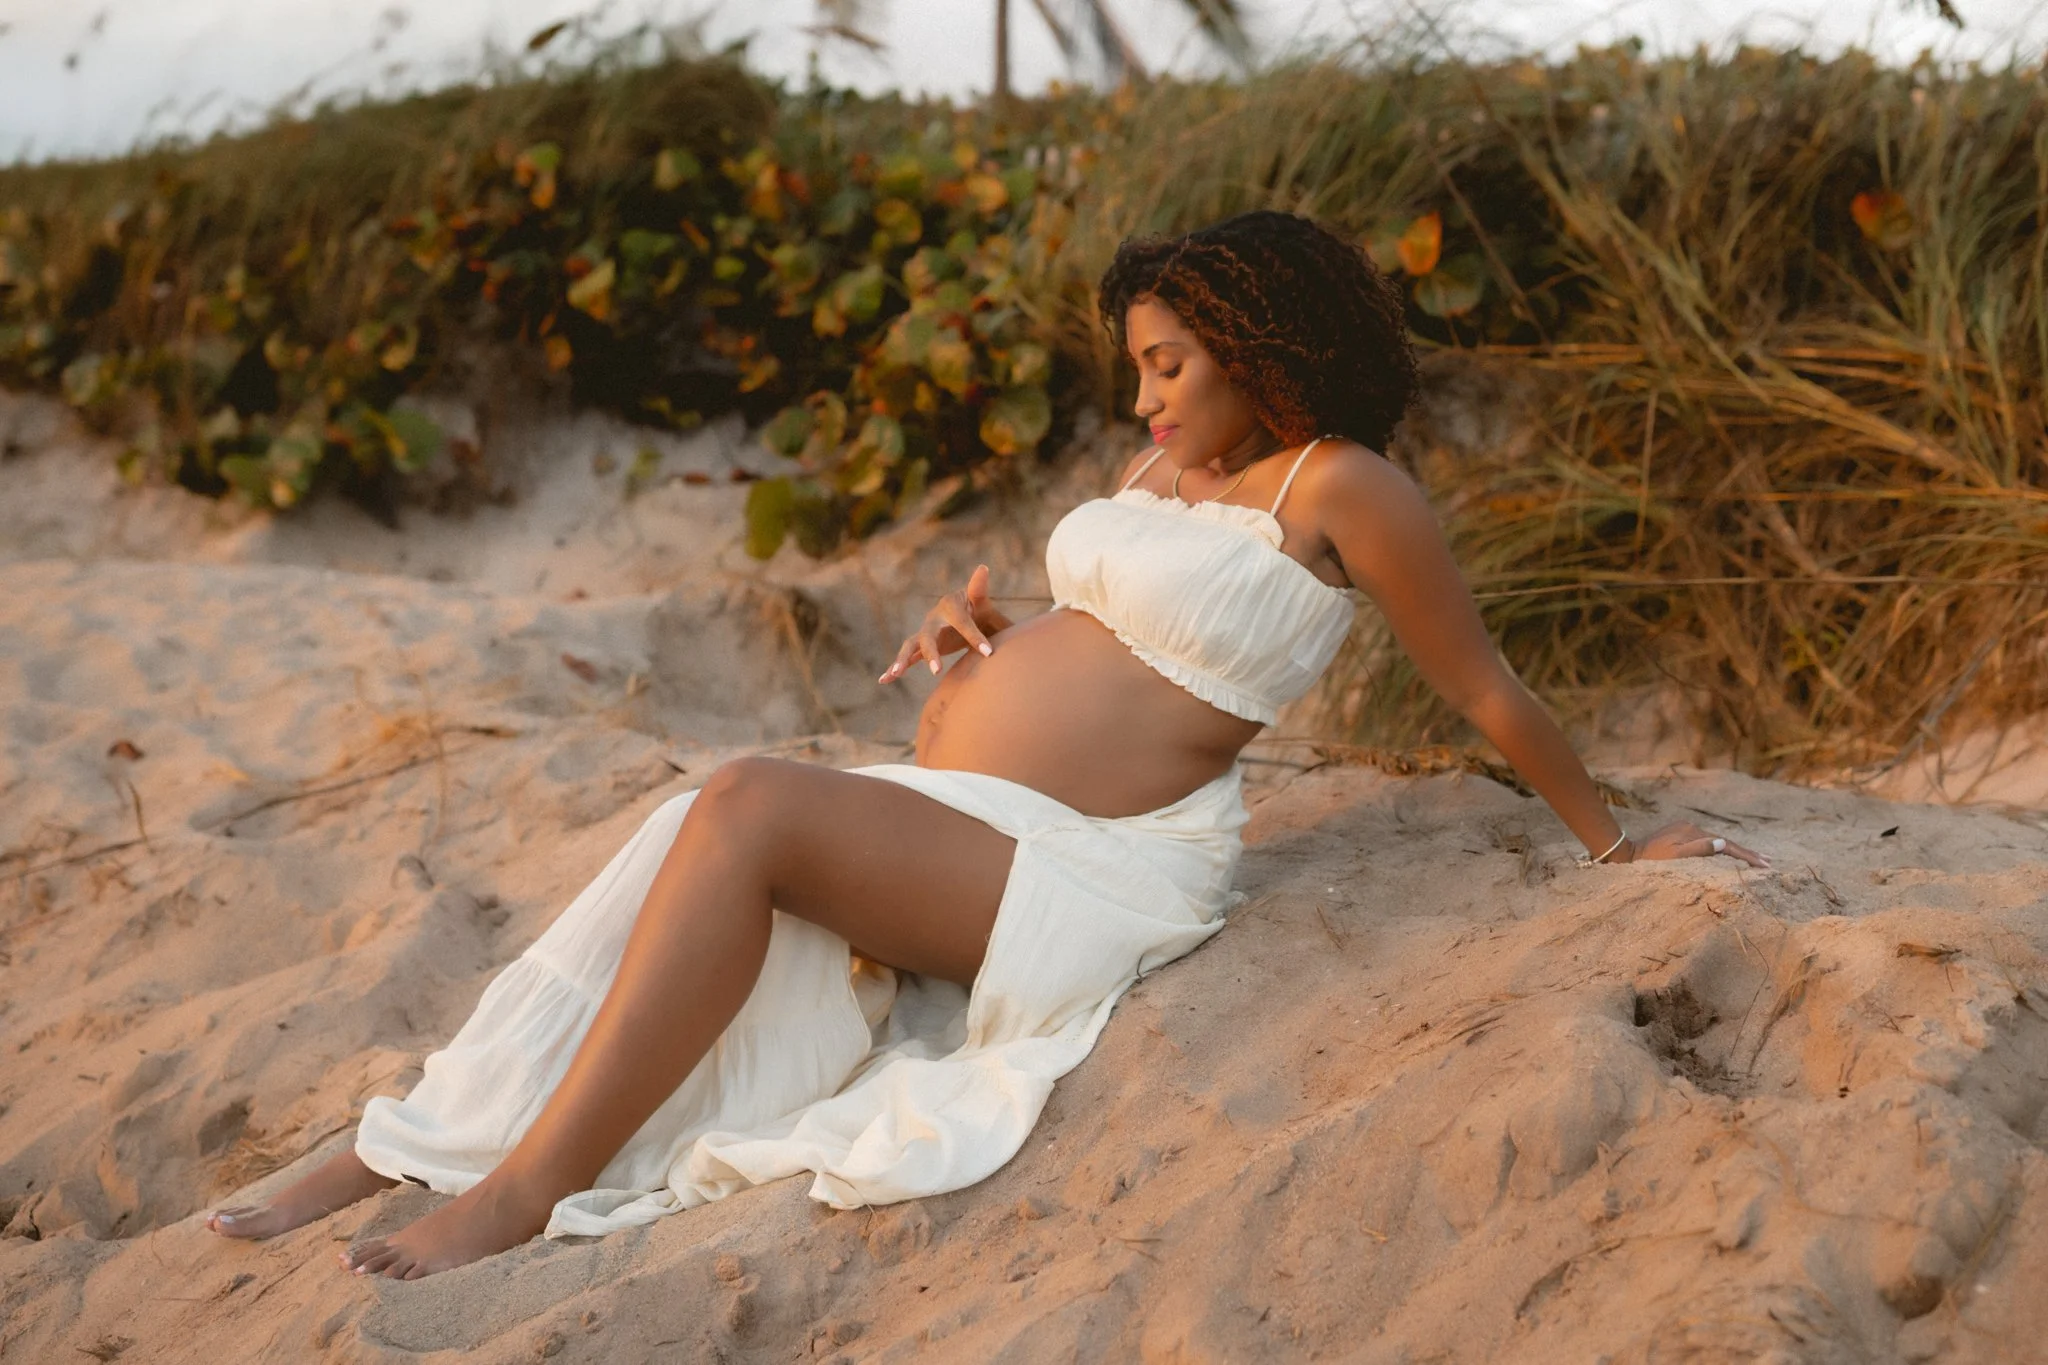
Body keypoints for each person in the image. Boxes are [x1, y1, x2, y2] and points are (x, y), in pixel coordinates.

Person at [204, 209, 1767, 1280]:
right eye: (1139, 364)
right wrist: (987, 631)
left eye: (1169, 361)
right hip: (975, 812)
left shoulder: (1339, 487)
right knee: (666, 850)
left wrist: (1619, 841)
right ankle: (400, 1146)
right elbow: (1116, 634)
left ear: (1261, 343)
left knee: (742, 804)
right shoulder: (1176, 477)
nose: (1142, 393)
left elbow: (1483, 685)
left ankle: (521, 1192)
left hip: (1099, 872)